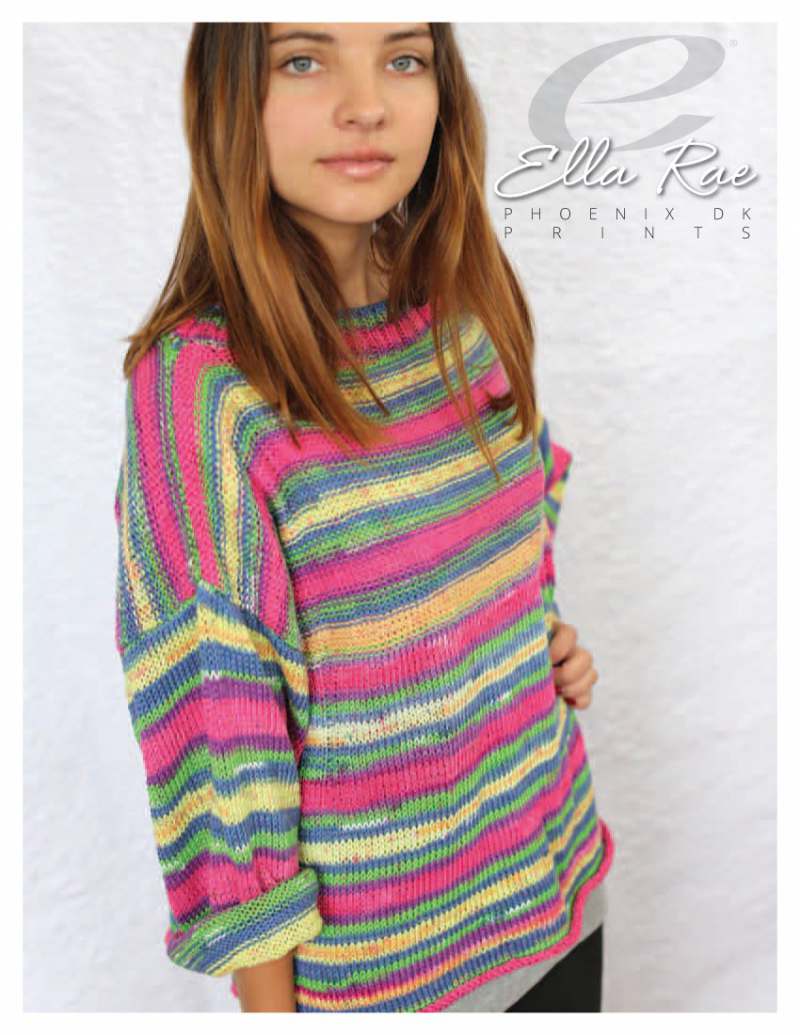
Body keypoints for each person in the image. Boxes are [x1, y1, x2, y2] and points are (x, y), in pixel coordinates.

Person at [113, 22, 613, 1013]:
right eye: (302, 60)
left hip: (560, 886)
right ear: (229, 100)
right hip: (392, 978)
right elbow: (222, 746)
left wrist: (533, 638)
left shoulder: (463, 312)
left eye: (403, 58)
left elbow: (511, 545)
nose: (367, 106)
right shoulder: (204, 391)